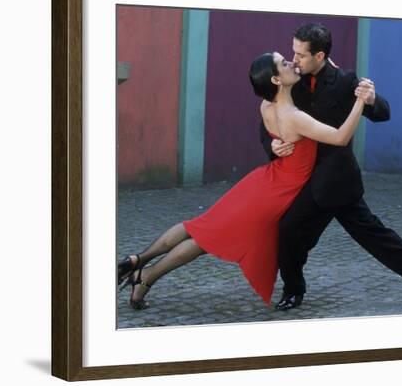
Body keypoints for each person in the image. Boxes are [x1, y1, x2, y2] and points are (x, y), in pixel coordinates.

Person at [118, 51, 366, 310]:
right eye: (284, 63)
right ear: (275, 80)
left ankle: (138, 260)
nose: (292, 63)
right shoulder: (294, 116)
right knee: (204, 238)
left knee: (199, 226)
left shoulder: (266, 106)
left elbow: (280, 124)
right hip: (276, 191)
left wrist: (325, 69)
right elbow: (339, 137)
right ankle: (145, 277)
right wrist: (359, 101)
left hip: (263, 181)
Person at [259, 23, 402, 311]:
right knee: (290, 232)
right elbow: (269, 119)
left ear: (319, 56)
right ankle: (293, 291)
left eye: (301, 55)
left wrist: (371, 99)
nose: (294, 59)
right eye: (292, 52)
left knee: (375, 238)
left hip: (338, 181)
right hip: (307, 182)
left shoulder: (345, 81)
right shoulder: (290, 81)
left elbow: (383, 113)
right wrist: (271, 146)